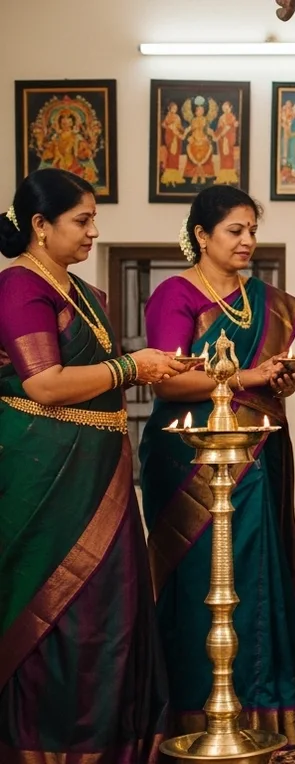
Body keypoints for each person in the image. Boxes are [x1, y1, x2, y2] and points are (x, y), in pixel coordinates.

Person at [0, 168, 182, 761]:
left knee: (114, 605)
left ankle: (113, 742)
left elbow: (90, 375)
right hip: (44, 481)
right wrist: (134, 369)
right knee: (61, 609)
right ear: (39, 225)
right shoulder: (19, 288)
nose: (94, 231)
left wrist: (150, 364)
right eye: (81, 220)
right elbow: (47, 384)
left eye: (93, 218)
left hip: (100, 476)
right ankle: (51, 745)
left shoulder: (83, 292)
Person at [139, 186, 295, 744]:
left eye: (252, 230)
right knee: (197, 581)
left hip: (257, 450)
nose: (247, 241)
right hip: (190, 457)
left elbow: (255, 380)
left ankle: (261, 711)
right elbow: (166, 375)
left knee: (259, 572)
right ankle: (193, 715)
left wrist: (276, 377)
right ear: (202, 235)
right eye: (235, 230)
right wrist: (246, 377)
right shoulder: (176, 295)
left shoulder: (260, 297)